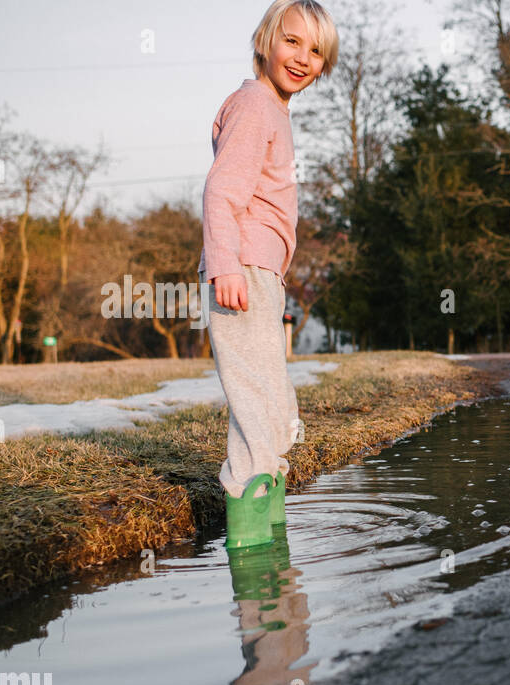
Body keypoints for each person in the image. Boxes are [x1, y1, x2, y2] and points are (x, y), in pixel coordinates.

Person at [198, 0, 337, 550]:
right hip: (243, 271)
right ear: (265, 40)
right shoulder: (256, 103)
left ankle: (269, 531)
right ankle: (256, 563)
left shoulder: (272, 109)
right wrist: (227, 266)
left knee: (272, 408)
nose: (303, 58)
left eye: (317, 51)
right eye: (293, 41)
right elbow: (221, 190)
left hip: (260, 273)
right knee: (258, 407)